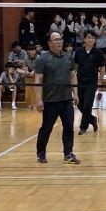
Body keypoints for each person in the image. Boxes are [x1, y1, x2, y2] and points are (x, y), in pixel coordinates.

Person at [34, 31, 80, 165]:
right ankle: (41, 153)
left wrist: (75, 93)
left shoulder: (68, 57)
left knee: (69, 127)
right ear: (49, 43)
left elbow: (73, 76)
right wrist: (38, 100)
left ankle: (68, 154)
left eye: (60, 39)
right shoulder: (42, 59)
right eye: (56, 40)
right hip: (50, 100)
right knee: (47, 128)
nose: (59, 42)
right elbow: (38, 79)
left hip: (66, 99)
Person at [74, 29, 105, 135]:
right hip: (80, 82)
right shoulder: (79, 51)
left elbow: (102, 67)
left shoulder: (98, 52)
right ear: (84, 39)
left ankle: (83, 127)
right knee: (79, 104)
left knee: (88, 104)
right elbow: (75, 66)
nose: (90, 39)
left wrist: (100, 81)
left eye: (92, 38)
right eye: (88, 37)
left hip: (92, 82)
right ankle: (92, 119)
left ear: (95, 40)